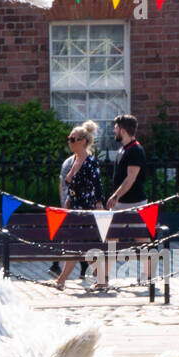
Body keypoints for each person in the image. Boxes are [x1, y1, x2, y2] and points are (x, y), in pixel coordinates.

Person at [53, 121, 106, 290]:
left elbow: (97, 185)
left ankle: (61, 280)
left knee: (79, 244)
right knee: (78, 244)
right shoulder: (74, 160)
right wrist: (69, 199)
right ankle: (101, 279)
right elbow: (71, 185)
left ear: (83, 141)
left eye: (73, 139)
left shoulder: (91, 162)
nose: (69, 142)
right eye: (69, 138)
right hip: (75, 208)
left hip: (87, 209)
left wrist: (99, 205)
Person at [105, 113, 146, 211]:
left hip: (134, 203)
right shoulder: (123, 149)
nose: (114, 131)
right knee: (110, 227)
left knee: (137, 227)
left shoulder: (136, 150)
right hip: (119, 202)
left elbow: (130, 178)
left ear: (123, 131)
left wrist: (115, 196)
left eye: (116, 128)